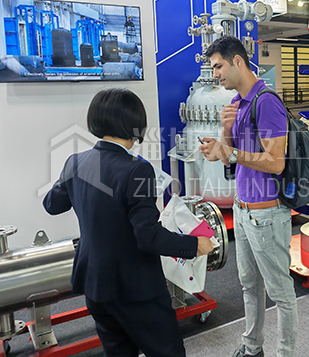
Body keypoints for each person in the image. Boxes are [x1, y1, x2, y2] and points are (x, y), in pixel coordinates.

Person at [43, 88, 215, 357]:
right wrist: (194, 245)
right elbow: (148, 237)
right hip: (136, 289)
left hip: (95, 285)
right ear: (134, 124)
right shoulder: (137, 169)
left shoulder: (75, 162)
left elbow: (52, 205)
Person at [198, 36, 297, 357]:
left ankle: (285, 353)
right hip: (243, 210)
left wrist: (230, 151)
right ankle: (252, 347)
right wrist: (224, 136)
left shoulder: (266, 102)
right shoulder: (238, 102)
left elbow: (276, 162)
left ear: (237, 61)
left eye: (218, 66)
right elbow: (230, 158)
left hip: (266, 214)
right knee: (250, 286)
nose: (215, 74)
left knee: (280, 292)